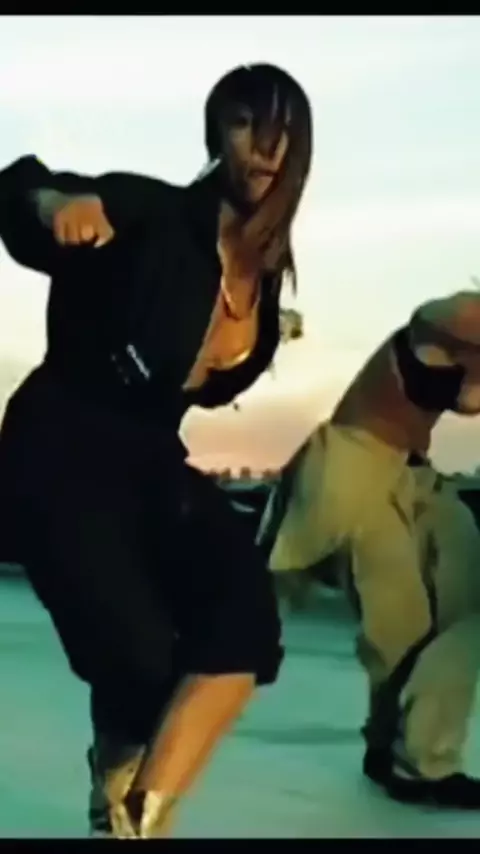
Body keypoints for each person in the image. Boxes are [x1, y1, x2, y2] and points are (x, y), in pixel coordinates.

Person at [0, 62, 313, 837]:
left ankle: (136, 821)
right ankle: (113, 783)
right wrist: (53, 204)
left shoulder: (266, 281)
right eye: (244, 123)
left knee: (242, 614)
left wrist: (260, 340)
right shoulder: (152, 212)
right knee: (136, 657)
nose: (264, 146)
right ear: (216, 134)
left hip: (147, 458)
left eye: (282, 130)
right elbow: (18, 188)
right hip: (59, 445)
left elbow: (190, 381)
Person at [259, 291, 480, 809]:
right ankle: (410, 760)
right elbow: (436, 319)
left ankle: (402, 747)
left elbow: (468, 399)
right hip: (356, 462)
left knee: (466, 596)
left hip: (414, 475)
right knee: (398, 621)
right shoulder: (454, 314)